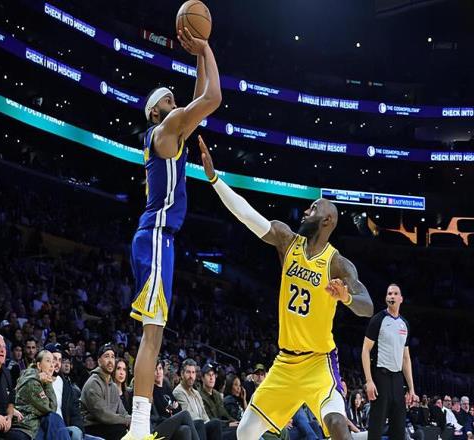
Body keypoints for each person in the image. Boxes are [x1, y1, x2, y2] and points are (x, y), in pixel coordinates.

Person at [197, 136, 373, 440]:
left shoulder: (337, 263)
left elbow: (367, 306)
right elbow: (247, 215)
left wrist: (346, 296)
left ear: (327, 220)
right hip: (285, 364)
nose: (306, 211)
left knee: (337, 425)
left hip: (318, 362)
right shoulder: (286, 240)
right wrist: (215, 180)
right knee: (245, 432)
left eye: (312, 208)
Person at [125, 24, 222, 440]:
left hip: (158, 239)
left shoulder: (169, 132)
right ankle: (138, 427)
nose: (175, 103)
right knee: (152, 335)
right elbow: (212, 98)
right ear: (155, 112)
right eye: (168, 100)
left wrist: (198, 54)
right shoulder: (164, 132)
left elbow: (199, 97)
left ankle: (139, 425)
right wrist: (207, 47)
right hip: (155, 236)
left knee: (155, 333)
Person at [361, 283, 418, 440]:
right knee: (377, 425)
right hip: (381, 376)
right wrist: (369, 381)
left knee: (399, 427)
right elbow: (365, 350)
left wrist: (411, 389)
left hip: (398, 379)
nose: (391, 296)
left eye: (395, 293)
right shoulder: (378, 320)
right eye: (389, 293)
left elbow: (406, 358)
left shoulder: (404, 324)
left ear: (401, 299)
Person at [80, 344, 131, 440]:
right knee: (120, 430)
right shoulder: (93, 382)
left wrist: (132, 420)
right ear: (99, 361)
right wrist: (126, 421)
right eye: (107, 356)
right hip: (91, 427)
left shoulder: (113, 386)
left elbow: (123, 412)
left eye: (113, 357)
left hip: (108, 426)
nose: (110, 360)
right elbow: (103, 415)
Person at [9, 349, 61, 440]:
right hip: (26, 428)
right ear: (39, 365)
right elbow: (51, 408)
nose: (52, 365)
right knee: (54, 419)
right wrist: (48, 383)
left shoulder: (36, 379)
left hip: (34, 426)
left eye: (53, 362)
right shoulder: (32, 383)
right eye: (48, 361)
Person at [173, 359, 222, 440]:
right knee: (199, 423)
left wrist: (207, 423)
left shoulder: (196, 393)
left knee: (215, 423)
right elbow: (187, 413)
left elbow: (204, 414)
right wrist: (202, 422)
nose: (191, 376)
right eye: (188, 372)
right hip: (190, 426)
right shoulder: (178, 391)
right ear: (182, 374)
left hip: (201, 425)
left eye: (193, 372)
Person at [151, 360, 199, 440]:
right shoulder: (151, 390)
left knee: (185, 429)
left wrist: (171, 409)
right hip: (159, 426)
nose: (158, 372)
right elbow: (160, 412)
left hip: (171, 424)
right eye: (155, 370)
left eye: (160, 368)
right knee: (185, 414)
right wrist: (171, 408)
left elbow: (178, 408)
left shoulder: (166, 387)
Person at [46, 343, 85, 439]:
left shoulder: (65, 385)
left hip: (65, 429)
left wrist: (79, 430)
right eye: (54, 359)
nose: (57, 364)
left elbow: (75, 413)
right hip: (48, 430)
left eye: (60, 360)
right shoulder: (37, 382)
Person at [0, 333, 22, 439]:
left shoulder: (6, 373)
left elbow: (11, 401)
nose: (2, 350)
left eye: (4, 347)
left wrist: (9, 417)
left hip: (3, 426)